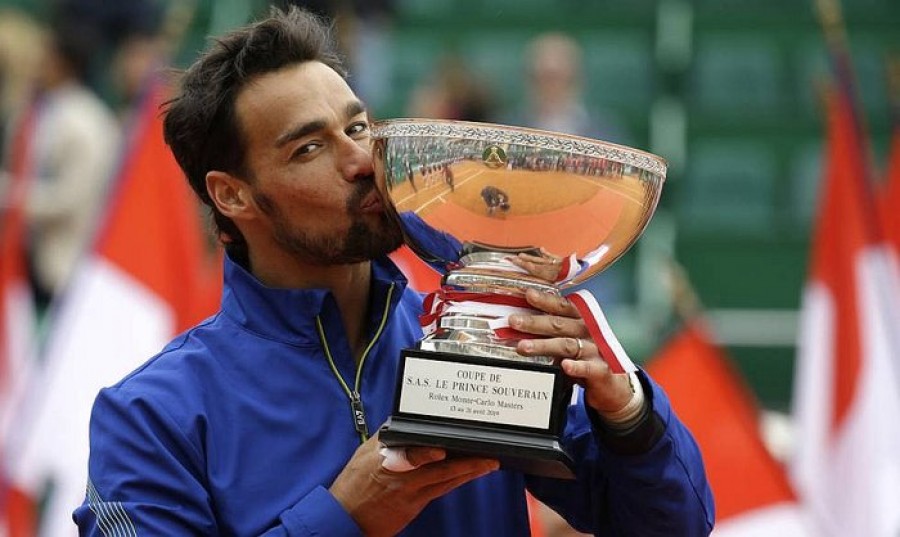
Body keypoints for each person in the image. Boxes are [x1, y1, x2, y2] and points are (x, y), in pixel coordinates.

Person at [74, 7, 713, 536]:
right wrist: (342, 519)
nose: (361, 160)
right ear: (232, 196)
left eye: (359, 126)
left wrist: (628, 415)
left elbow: (675, 524)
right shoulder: (153, 416)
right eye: (310, 147)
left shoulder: (481, 336)